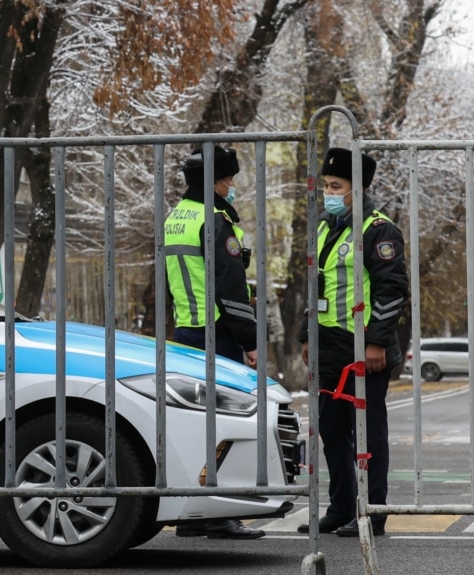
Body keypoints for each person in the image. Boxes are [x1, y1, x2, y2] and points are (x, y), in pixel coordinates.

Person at [296, 148, 409, 537]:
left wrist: (376, 342)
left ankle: (373, 512)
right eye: (326, 185)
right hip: (329, 346)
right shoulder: (326, 225)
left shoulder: (379, 229)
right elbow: (315, 286)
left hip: (365, 349)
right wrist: (306, 335)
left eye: (336, 186)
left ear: (357, 189)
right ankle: (342, 507)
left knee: (369, 434)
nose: (328, 192)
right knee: (331, 431)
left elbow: (392, 290)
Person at [164, 145, 264, 540]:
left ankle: (191, 515)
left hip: (186, 329)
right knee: (222, 423)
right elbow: (231, 289)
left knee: (193, 423)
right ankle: (217, 513)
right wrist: (251, 342)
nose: (232, 185)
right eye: (228, 179)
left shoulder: (176, 217)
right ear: (214, 181)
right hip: (218, 332)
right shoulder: (215, 221)